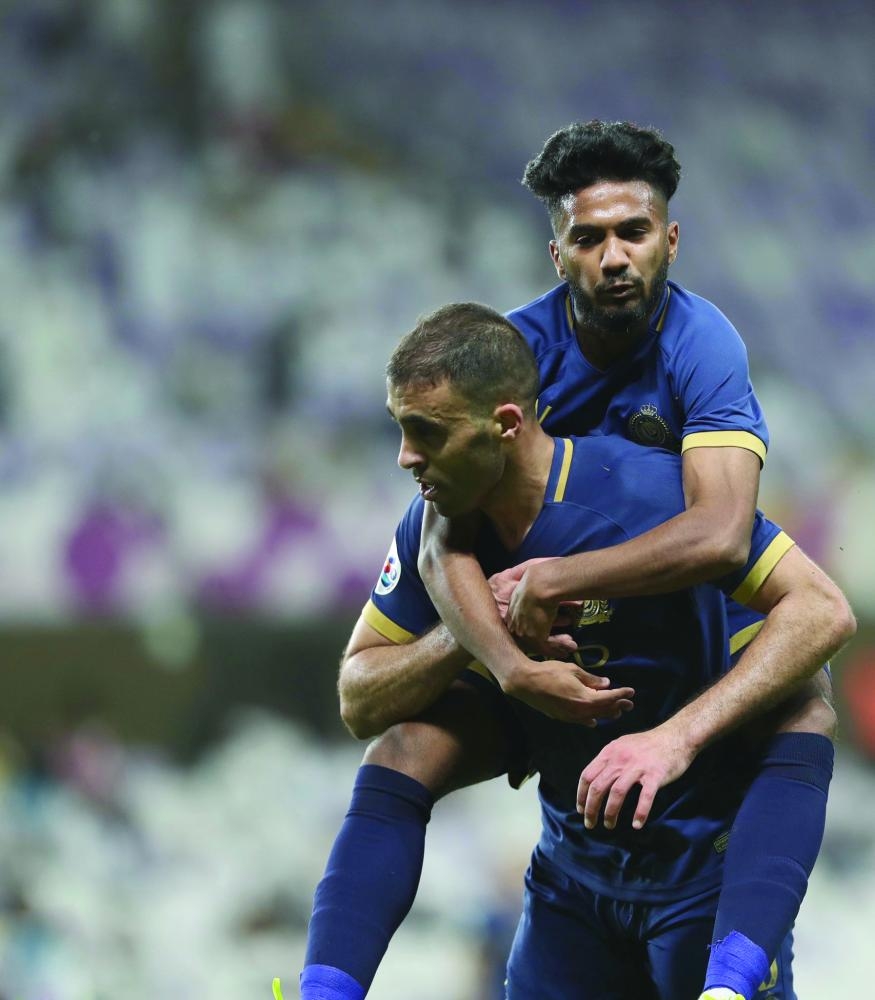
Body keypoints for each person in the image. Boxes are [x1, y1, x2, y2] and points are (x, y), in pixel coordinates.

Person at [298, 123, 840, 1000]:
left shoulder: (701, 346)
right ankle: (324, 988)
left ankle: (731, 975)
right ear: (557, 255)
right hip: (547, 642)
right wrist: (505, 662)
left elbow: (718, 533)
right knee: (404, 745)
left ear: (669, 240)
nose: (613, 257)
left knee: (801, 693)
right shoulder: (507, 358)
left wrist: (556, 578)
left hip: (675, 614)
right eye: (588, 238)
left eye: (632, 232)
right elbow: (440, 540)